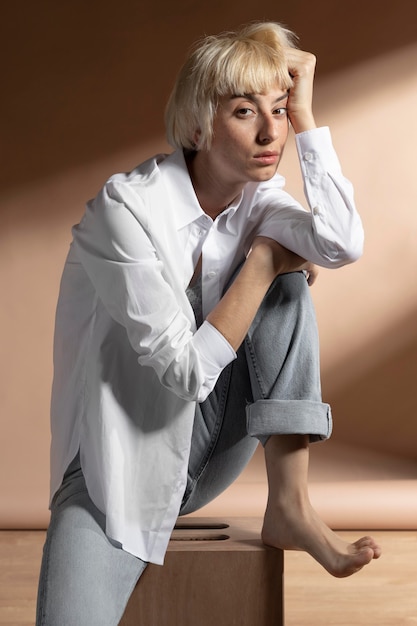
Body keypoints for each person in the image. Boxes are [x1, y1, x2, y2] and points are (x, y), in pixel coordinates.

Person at [36, 20, 381, 625]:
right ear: (198, 125)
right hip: (117, 471)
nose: (271, 131)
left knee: (288, 292)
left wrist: (306, 117)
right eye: (247, 111)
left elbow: (340, 243)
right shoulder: (125, 209)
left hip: (212, 450)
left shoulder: (262, 199)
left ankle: (291, 504)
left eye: (279, 109)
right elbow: (182, 371)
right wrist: (266, 262)